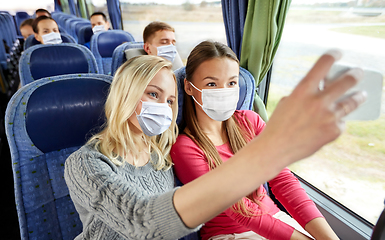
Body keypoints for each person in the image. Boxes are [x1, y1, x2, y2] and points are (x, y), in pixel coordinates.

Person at [64, 47, 366, 240]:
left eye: (170, 101)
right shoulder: (85, 163)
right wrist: (271, 151)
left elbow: (282, 183)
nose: (164, 108)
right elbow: (142, 222)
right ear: (125, 95)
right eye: (152, 94)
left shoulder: (160, 158)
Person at [171, 41, 341, 240]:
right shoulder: (185, 147)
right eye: (211, 84)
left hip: (277, 220)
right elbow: (239, 210)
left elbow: (283, 181)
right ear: (189, 88)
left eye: (231, 83)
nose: (223, 90)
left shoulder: (250, 121)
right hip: (232, 234)